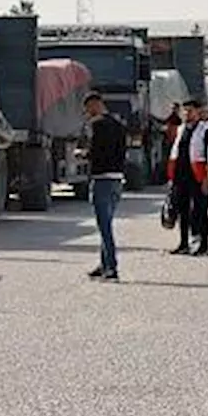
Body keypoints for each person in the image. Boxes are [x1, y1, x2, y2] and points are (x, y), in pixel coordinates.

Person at [85, 91, 127, 281]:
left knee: (104, 226)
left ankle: (111, 267)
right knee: (107, 222)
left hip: (101, 177)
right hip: (117, 177)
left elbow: (95, 151)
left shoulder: (96, 124)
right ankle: (104, 264)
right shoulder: (118, 124)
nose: (87, 112)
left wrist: (84, 155)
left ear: (95, 104)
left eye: (88, 108)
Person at [166, 99, 208, 256]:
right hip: (181, 175)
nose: (187, 114)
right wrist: (171, 177)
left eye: (190, 110)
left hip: (198, 175)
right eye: (184, 111)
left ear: (198, 112)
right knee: (182, 210)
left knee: (200, 210)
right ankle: (184, 242)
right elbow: (175, 151)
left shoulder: (205, 129)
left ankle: (204, 244)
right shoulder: (181, 129)